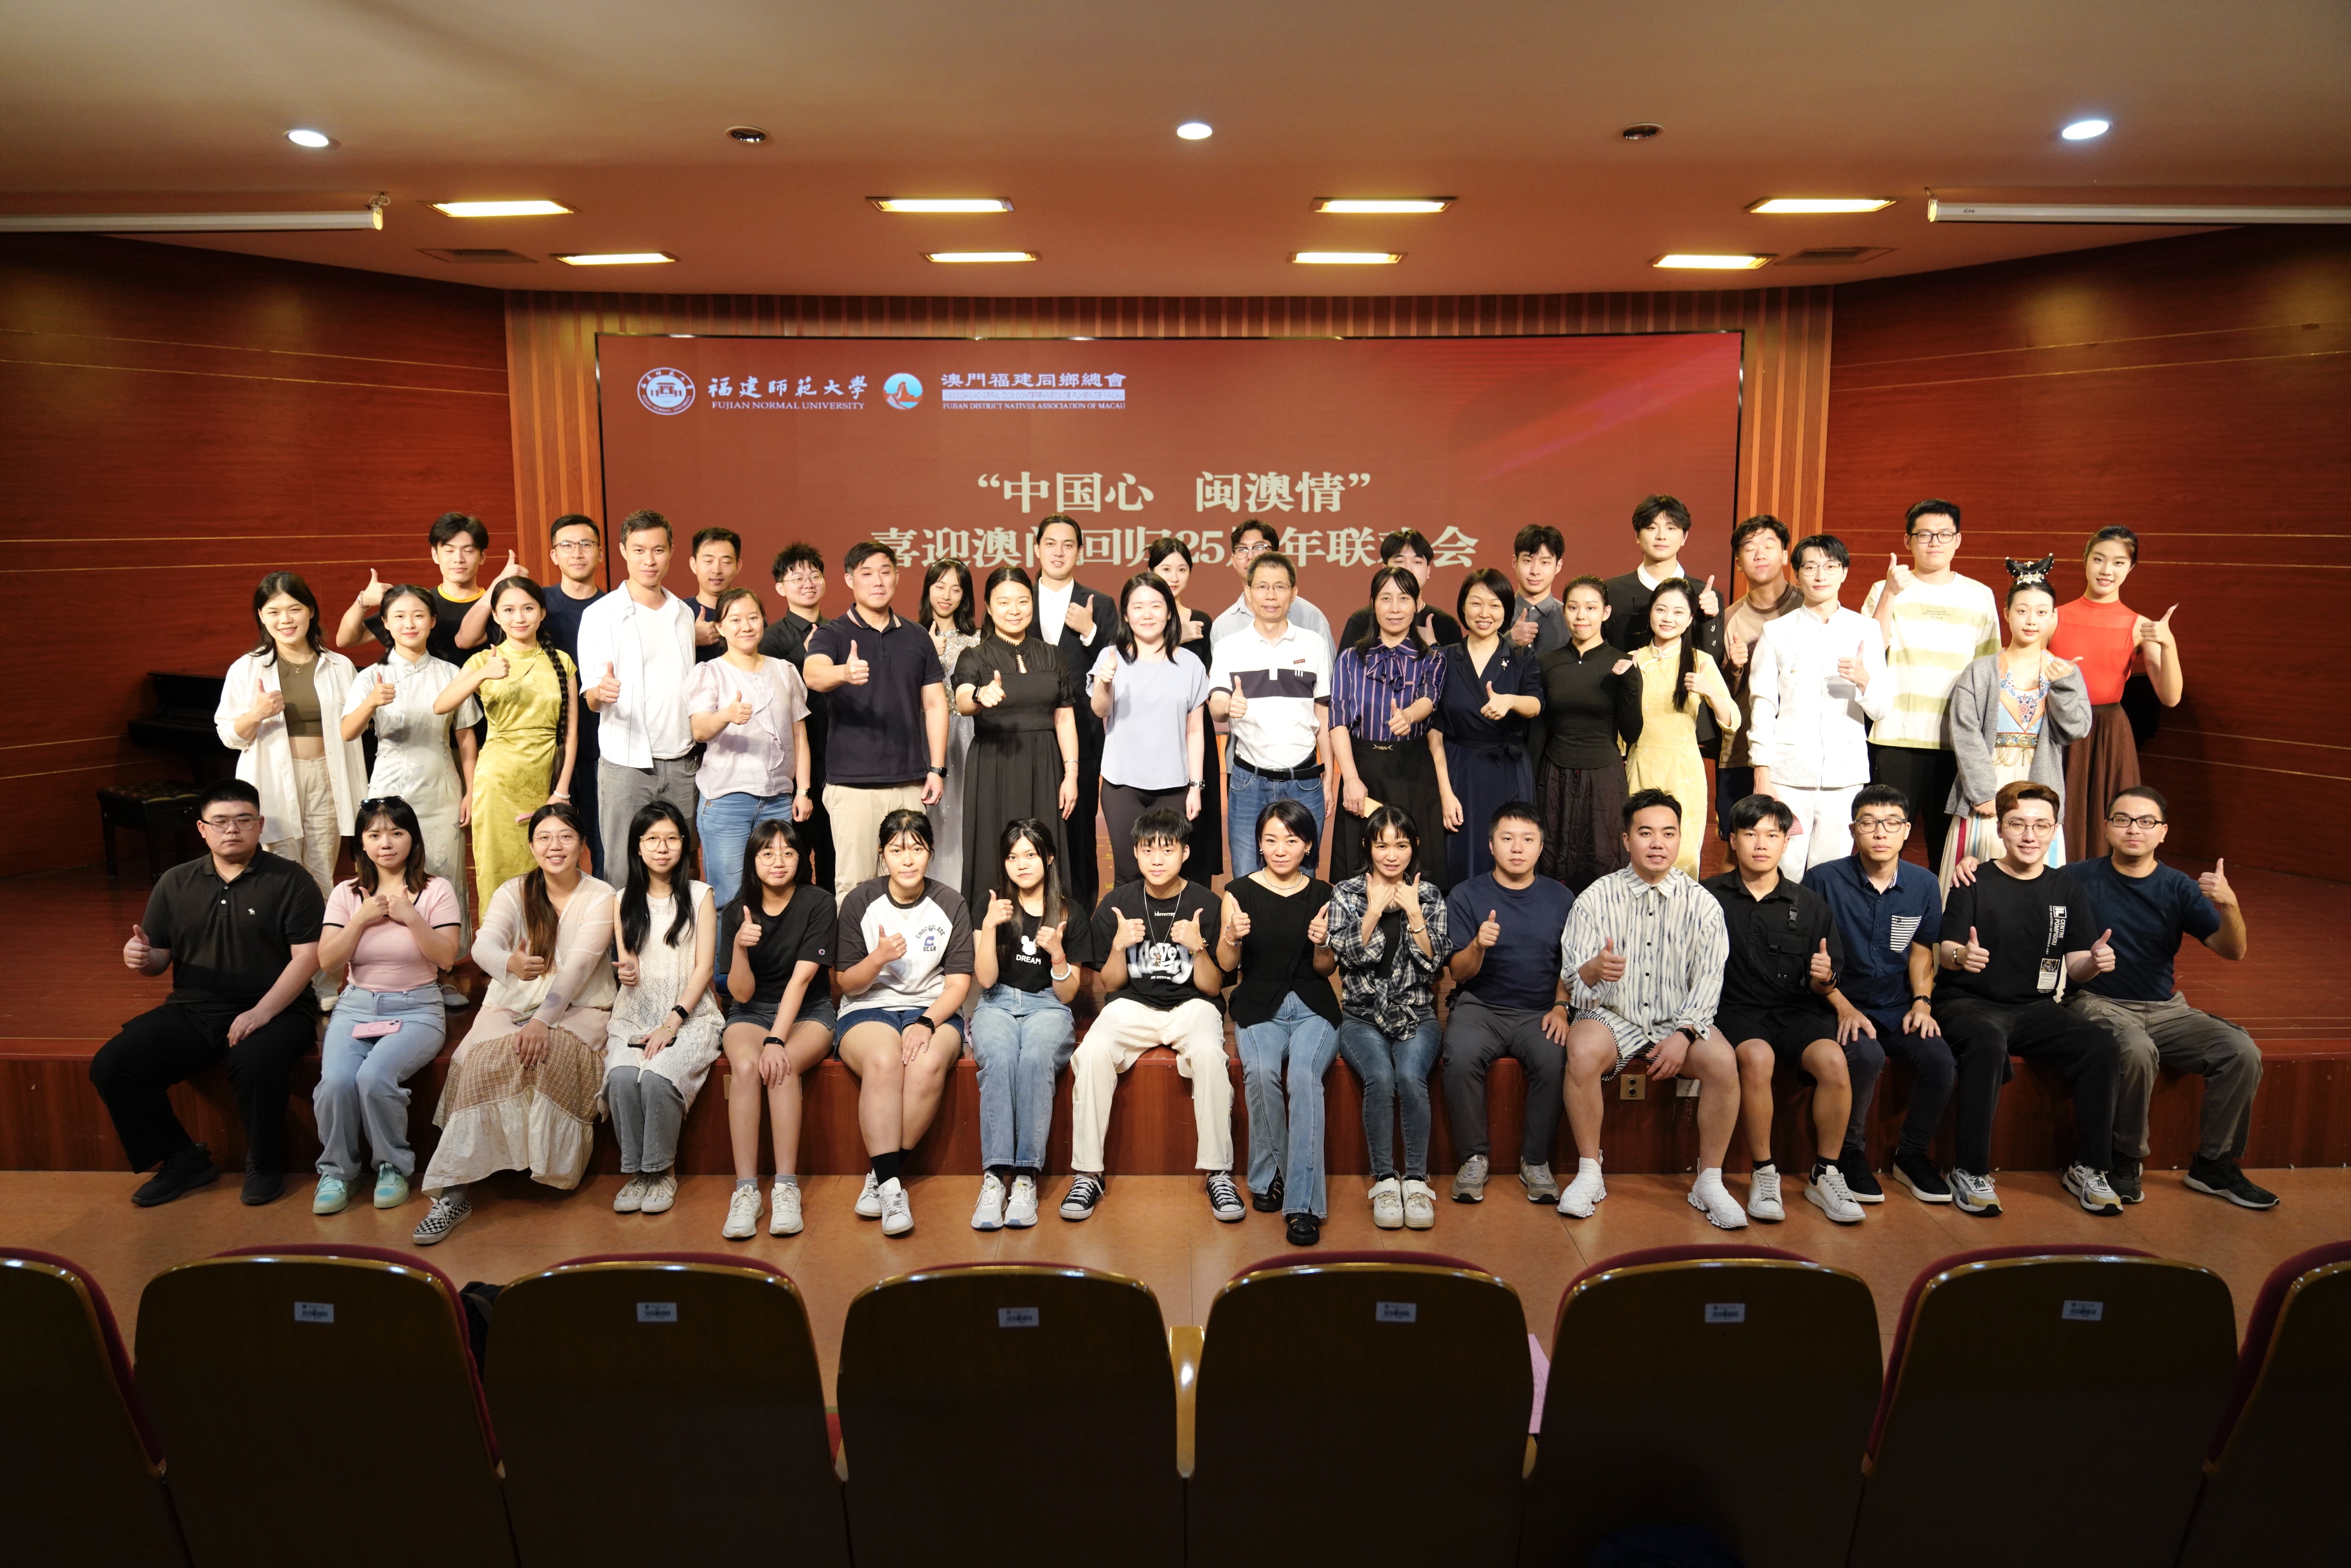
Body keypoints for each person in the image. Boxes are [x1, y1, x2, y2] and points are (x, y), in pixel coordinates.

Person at [92, 779, 325, 1207]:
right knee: (114, 1064)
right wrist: (141, 958)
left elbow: (308, 957)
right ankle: (183, 1159)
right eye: (220, 821)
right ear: (202, 829)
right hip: (194, 1009)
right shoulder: (175, 882)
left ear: (260, 824)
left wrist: (262, 1012)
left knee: (255, 1060)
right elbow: (159, 958)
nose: (231, 829)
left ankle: (265, 1163)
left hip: (279, 1009)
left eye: (243, 819)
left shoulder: (291, 880)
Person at [413, 803, 618, 1244]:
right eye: (544, 837)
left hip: (581, 1007)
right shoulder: (514, 890)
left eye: (566, 836)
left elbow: (579, 969)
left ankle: (544, 1163)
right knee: (484, 1060)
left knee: (550, 1055)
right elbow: (484, 944)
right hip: (511, 1002)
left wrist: (543, 1021)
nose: (555, 846)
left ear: (583, 845)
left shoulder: (601, 895)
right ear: (531, 845)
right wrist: (510, 962)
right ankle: (454, 1192)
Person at [2060, 787, 2270, 1207]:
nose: (2133, 829)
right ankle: (2123, 1159)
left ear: (2163, 832)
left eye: (2146, 821)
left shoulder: (2178, 887)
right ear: (2107, 827)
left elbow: (2233, 951)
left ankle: (2214, 1165)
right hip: (2096, 1001)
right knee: (2136, 1049)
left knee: (2240, 1050)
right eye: (2122, 820)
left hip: (2166, 1008)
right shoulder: (2076, 878)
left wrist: (2230, 905)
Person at [1931, 780, 2125, 1218]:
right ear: (2001, 828)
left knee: (2101, 1045)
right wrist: (1962, 956)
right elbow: (1946, 949)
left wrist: (2096, 962)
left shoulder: (2067, 888)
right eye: (2018, 824)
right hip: (1968, 1001)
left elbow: (2076, 965)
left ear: (2055, 831)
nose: (2030, 834)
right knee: (1985, 1043)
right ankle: (1970, 1170)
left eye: (2041, 825)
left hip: (2034, 1007)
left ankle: (2089, 1166)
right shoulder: (1973, 878)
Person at [1554, 790, 1744, 1228]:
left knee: (1722, 1061)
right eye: (1645, 833)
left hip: (1679, 1018)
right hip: (1614, 1015)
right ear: (1626, 840)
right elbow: (1574, 985)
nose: (1657, 843)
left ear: (1680, 839)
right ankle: (1590, 1171)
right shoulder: (1595, 898)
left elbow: (1710, 980)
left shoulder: (1702, 904)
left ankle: (1710, 1180)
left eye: (1668, 833)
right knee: (1581, 1050)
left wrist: (1685, 1033)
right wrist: (1592, 970)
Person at [1705, 795, 1873, 1226]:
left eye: (1772, 835)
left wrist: (1825, 977)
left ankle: (1826, 1173)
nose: (1761, 844)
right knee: (1757, 1056)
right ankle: (1764, 1172)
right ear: (1733, 840)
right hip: (1736, 1011)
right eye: (1750, 834)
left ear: (1786, 842)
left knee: (1834, 1060)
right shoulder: (1707, 896)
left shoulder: (1810, 903)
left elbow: (1825, 982)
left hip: (1796, 1011)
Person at [1066, 807, 1240, 1223]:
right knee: (1091, 1052)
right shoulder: (1117, 903)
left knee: (1210, 1055)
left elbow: (1213, 987)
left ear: (1185, 852)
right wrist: (1119, 947)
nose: (1157, 859)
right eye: (1148, 850)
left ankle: (1218, 1172)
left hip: (1192, 1006)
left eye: (1167, 849)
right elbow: (1110, 983)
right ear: (1135, 853)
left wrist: (1198, 947)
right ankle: (1088, 1173)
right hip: (1133, 1006)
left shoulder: (1206, 903)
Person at [216, 572, 365, 1001]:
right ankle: (280, 983)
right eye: (274, 611)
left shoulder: (339, 665)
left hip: (327, 780)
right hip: (272, 784)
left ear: (311, 611)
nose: (286, 619)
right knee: (277, 881)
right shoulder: (247, 668)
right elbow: (229, 735)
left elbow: (356, 726)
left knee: (320, 879)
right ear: (262, 617)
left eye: (294, 609)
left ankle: (323, 983)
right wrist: (256, 713)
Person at [310, 796, 460, 1216]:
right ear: (361, 843)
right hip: (356, 1007)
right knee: (336, 1082)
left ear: (413, 838)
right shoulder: (346, 893)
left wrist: (411, 916)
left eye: (396, 832)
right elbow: (328, 961)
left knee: (375, 1077)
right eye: (374, 834)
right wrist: (360, 919)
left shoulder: (436, 889)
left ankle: (393, 1166)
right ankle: (338, 1171)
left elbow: (446, 958)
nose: (386, 843)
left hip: (417, 1008)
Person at [832, 809, 976, 1238]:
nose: (908, 859)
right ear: (883, 854)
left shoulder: (951, 903)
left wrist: (927, 1022)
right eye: (897, 850)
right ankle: (893, 1187)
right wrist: (878, 958)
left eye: (917, 848)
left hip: (933, 1009)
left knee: (927, 1064)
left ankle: (882, 1175)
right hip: (869, 1006)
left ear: (931, 852)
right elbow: (848, 983)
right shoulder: (860, 901)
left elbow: (958, 984)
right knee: (884, 1059)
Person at [1807, 785, 1947, 1204]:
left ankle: (1912, 1154)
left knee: (1940, 1059)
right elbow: (1812, 959)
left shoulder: (1924, 884)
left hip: (1895, 1005)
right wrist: (1843, 1006)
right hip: (1835, 1003)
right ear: (1854, 830)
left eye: (1891, 823)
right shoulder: (1824, 879)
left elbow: (1921, 952)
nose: (1880, 832)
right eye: (1869, 823)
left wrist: (1922, 1002)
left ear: (1906, 830)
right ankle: (1849, 1153)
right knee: (1865, 1055)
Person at [344, 583, 481, 1008]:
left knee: (443, 874)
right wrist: (371, 703)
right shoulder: (370, 676)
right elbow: (347, 731)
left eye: (419, 615)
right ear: (385, 623)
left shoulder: (450, 672)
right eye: (399, 616)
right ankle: (392, 970)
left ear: (433, 621)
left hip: (441, 786)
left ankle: (442, 973)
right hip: (390, 786)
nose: (410, 624)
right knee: (391, 877)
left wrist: (471, 791)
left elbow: (465, 739)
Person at [1218, 800, 1342, 1247]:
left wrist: (1323, 944)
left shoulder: (1324, 894)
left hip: (1313, 1006)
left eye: (1291, 840)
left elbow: (1326, 968)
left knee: (1304, 1077)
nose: (1280, 849)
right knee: (1261, 1070)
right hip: (1259, 1004)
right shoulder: (1238, 892)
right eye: (1271, 840)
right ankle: (1271, 1175)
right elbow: (1226, 964)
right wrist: (1231, 935)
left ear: (1308, 845)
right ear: (1259, 843)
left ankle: (1302, 1204)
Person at [1441, 803, 1576, 1204]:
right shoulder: (1466, 895)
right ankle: (1474, 1159)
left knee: (1555, 1059)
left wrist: (1561, 1006)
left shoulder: (1561, 897)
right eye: (1507, 838)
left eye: (1528, 839)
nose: (1517, 848)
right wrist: (1478, 946)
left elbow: (1569, 965)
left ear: (1540, 847)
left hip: (1539, 1010)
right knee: (1459, 1056)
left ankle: (1535, 1161)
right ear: (1491, 845)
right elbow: (1459, 972)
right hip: (1480, 1006)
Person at [1860, 500, 2001, 869]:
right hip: (1897, 735)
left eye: (1944, 534)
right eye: (1924, 534)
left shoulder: (1980, 595)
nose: (1934, 542)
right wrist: (1890, 593)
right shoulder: (1885, 588)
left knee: (1948, 847)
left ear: (1958, 540)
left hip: (1958, 741)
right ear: (1908, 541)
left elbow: (1990, 670)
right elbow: (1871, 650)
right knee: (1885, 838)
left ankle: (1943, 908)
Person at [803, 542, 949, 900]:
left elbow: (935, 704)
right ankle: (855, 943)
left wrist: (937, 769)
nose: (878, 581)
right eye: (867, 574)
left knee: (908, 883)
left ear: (897, 577)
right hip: (853, 786)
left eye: (885, 572)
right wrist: (844, 672)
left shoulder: (917, 636)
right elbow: (813, 674)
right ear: (849, 580)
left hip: (909, 783)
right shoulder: (833, 633)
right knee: (856, 886)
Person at [1327, 805, 1450, 1231]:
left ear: (1414, 845)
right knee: (1380, 1077)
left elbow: (1434, 965)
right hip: (1361, 1016)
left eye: (1401, 845)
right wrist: (1374, 911)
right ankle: (1384, 1180)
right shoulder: (1347, 893)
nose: (1392, 855)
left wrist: (1414, 913)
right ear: (1368, 846)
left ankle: (1415, 1181)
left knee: (1411, 1076)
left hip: (1417, 1013)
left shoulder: (1429, 894)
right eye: (1382, 846)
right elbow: (1343, 956)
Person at [601, 801, 724, 1219]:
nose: (662, 847)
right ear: (638, 846)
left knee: (657, 1077)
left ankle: (661, 1171)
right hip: (634, 1013)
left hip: (690, 1015)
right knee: (622, 1077)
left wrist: (671, 1024)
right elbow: (628, 964)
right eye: (652, 838)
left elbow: (704, 968)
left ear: (684, 845)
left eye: (672, 838)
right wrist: (626, 971)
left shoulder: (700, 895)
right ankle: (637, 1172)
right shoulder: (622, 899)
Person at [715, 820, 836, 1240]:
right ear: (753, 860)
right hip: (750, 1011)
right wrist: (739, 947)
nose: (778, 861)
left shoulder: (819, 902)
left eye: (788, 852)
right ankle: (746, 1191)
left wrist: (775, 1039)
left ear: (801, 858)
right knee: (747, 1067)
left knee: (780, 1066)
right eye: (767, 853)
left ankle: (786, 1188)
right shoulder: (737, 911)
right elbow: (740, 993)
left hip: (808, 1012)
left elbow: (802, 982)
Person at [1939, 557, 2091, 888]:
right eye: (2022, 610)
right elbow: (1964, 733)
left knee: (2034, 876)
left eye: (2041, 612)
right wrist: (1982, 793)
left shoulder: (2065, 672)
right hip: (1988, 782)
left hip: (2039, 780)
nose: (2031, 620)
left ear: (2053, 617)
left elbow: (2076, 730)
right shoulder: (1980, 671)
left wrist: (2064, 685)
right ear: (2007, 614)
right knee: (1977, 876)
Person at [1746, 534, 1890, 879]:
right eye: (1810, 567)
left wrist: (1864, 681)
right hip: (1787, 773)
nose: (1820, 575)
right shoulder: (1776, 632)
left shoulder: (1866, 630)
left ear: (1844, 573)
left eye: (1830, 566)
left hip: (1845, 773)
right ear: (1797, 574)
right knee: (1784, 866)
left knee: (1832, 871)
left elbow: (1882, 709)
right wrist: (1761, 769)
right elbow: (1763, 704)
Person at [437, 576, 579, 916]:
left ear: (542, 613)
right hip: (497, 782)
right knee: (497, 870)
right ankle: (501, 947)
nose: (520, 617)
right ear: (496, 617)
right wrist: (482, 674)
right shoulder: (482, 661)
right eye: (509, 610)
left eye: (528, 608)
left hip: (546, 778)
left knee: (550, 873)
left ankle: (547, 946)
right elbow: (441, 706)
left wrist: (561, 791)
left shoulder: (562, 660)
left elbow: (572, 733)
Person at [967, 819, 1082, 1231]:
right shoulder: (991, 905)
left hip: (1047, 1004)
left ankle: (1026, 1179)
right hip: (997, 1001)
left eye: (1031, 854)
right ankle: (994, 1178)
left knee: (1034, 1060)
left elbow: (1068, 994)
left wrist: (1057, 955)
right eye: (1013, 856)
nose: (1022, 864)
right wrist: (989, 928)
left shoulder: (1068, 911)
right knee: (999, 1059)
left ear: (1048, 858)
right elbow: (985, 979)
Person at [577, 510, 702, 877]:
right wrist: (601, 692)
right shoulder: (600, 614)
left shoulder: (682, 613)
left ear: (671, 551)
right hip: (626, 764)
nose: (649, 560)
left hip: (681, 761)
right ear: (622, 551)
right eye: (639, 550)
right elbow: (591, 698)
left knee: (680, 868)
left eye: (658, 550)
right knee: (622, 869)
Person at [2050, 528, 2185, 857]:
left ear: (2131, 568)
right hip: (2060, 729)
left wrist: (2169, 644)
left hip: (2110, 735)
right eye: (2098, 559)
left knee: (2111, 822)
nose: (2107, 570)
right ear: (2085, 561)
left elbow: (2170, 697)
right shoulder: (2053, 617)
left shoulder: (2139, 625)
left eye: (2119, 562)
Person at [954, 566, 1081, 909]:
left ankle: (1050, 927)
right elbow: (963, 700)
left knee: (1044, 847)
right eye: (1004, 602)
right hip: (994, 766)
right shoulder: (975, 656)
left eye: (1023, 601)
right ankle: (988, 929)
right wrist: (980, 694)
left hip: (1045, 766)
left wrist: (1071, 774)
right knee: (994, 848)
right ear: (988, 606)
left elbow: (1064, 717)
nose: (1015, 609)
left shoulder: (1052, 654)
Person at [1208, 550, 1334, 878]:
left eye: (1280, 587)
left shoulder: (1313, 644)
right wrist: (1228, 706)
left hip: (1305, 780)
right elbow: (1217, 704)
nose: (1271, 595)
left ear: (1294, 593)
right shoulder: (1229, 646)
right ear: (1248, 592)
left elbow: (1323, 716)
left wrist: (1330, 780)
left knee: (1303, 881)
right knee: (1246, 879)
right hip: (1249, 781)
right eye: (1262, 586)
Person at [685, 587, 812, 908]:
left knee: (777, 893)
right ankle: (725, 946)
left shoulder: (785, 671)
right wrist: (726, 716)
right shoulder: (710, 672)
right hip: (727, 801)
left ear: (764, 621)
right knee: (727, 897)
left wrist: (803, 791)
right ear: (720, 627)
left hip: (778, 801)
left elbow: (799, 735)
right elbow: (699, 730)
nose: (746, 626)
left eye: (753, 618)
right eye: (735, 619)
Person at [1328, 565, 1446, 886]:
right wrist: (1350, 778)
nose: (1395, 608)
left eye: (1404, 598)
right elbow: (1338, 722)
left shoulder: (1432, 658)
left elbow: (1429, 698)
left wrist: (1409, 716)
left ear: (1417, 604)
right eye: (1386, 598)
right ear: (1373, 604)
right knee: (1359, 869)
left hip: (1413, 770)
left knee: (1416, 870)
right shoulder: (1350, 659)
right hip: (1363, 770)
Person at [1091, 572, 1209, 887]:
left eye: (1156, 606)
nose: (1147, 614)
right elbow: (1101, 710)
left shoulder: (1191, 664)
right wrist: (1105, 682)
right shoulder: (1110, 657)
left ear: (1169, 612)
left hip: (1174, 787)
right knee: (1128, 873)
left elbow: (1195, 731)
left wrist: (1196, 786)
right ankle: (1124, 924)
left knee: (1167, 874)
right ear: (1125, 615)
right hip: (1121, 786)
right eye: (1138, 607)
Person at [1032, 515, 1121, 911]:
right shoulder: (1016, 597)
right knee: (1032, 831)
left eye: (1068, 545)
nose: (1059, 552)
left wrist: (1091, 632)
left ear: (1080, 552)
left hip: (1084, 736)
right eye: (1050, 543)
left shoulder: (1100, 604)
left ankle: (1083, 917)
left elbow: (1120, 661)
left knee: (1081, 831)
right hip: (1027, 734)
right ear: (1037, 548)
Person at [1532, 575, 1642, 892]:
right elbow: (1539, 729)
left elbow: (1632, 733)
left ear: (1606, 612)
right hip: (1555, 776)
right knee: (1552, 862)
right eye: (1573, 607)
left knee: (1604, 863)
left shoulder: (1622, 663)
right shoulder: (1547, 662)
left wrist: (1630, 682)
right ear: (1564, 611)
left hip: (1603, 777)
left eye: (1591, 608)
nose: (1582, 616)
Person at [1434, 568, 1544, 885]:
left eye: (1495, 605)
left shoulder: (1521, 657)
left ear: (1506, 611)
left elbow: (1536, 705)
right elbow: (1434, 731)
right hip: (1460, 771)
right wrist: (1445, 792)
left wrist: (1510, 700)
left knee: (1512, 853)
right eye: (1476, 603)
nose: (1485, 613)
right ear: (1462, 607)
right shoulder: (1443, 658)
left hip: (1508, 770)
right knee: (1460, 857)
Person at [1623, 579, 1739, 873]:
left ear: (1690, 620)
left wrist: (1710, 691)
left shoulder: (1700, 661)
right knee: (1639, 856)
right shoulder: (1633, 660)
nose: (1668, 618)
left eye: (1678, 612)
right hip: (1641, 767)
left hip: (1684, 772)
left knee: (1683, 859)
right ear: (1650, 613)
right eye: (1661, 610)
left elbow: (1732, 721)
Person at [1710, 516, 1802, 830]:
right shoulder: (1729, 619)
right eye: (1750, 548)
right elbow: (1718, 699)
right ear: (1738, 563)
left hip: (1799, 748)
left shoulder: (1808, 607)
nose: (1760, 554)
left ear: (1786, 555)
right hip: (1742, 752)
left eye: (1769, 545)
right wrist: (1734, 669)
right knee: (1738, 841)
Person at [1147, 535, 1225, 882]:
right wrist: (1178, 636)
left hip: (1195, 726)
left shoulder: (1202, 621)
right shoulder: (1143, 618)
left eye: (1182, 569)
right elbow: (1137, 662)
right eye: (1166, 569)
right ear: (1151, 571)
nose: (1174, 577)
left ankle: (1198, 893)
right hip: (1156, 728)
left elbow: (1208, 679)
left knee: (1197, 816)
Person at [534, 513, 607, 873]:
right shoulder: (536, 606)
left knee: (603, 843)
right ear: (554, 554)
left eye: (586, 544)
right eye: (567, 545)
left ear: (601, 553)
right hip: (545, 747)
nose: (577, 553)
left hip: (601, 747)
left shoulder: (614, 609)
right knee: (547, 846)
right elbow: (467, 639)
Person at [761, 541, 835, 888]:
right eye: (798, 578)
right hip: (793, 770)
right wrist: (802, 656)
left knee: (836, 859)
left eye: (815, 576)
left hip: (836, 763)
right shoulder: (769, 640)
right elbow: (770, 696)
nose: (808, 584)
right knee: (794, 861)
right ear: (781, 588)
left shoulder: (838, 632)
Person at [337, 510, 500, 664]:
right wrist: (363, 601)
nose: (458, 559)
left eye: (468, 551)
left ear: (482, 556)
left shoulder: (500, 606)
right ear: (435, 555)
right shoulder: (419, 603)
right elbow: (346, 640)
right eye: (449, 550)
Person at [919, 557, 982, 890]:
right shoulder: (912, 635)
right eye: (940, 586)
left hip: (967, 735)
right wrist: (927, 651)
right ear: (928, 589)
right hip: (927, 734)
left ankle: (962, 891)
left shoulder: (978, 639)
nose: (946, 595)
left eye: (956, 589)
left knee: (964, 814)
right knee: (930, 815)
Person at [1599, 494, 1723, 656]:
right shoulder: (1611, 592)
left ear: (1684, 537)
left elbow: (1714, 661)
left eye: (1671, 528)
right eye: (1652, 528)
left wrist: (1709, 619)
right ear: (1637, 535)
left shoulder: (1705, 595)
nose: (1661, 536)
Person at [1214, 518, 1337, 655]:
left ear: (1276, 556)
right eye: (1242, 549)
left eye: (1259, 547)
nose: (1250, 556)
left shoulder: (1311, 617)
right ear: (1233, 560)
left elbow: (1327, 668)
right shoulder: (1222, 625)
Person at [1338, 528, 1463, 651]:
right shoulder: (1361, 620)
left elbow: (1455, 664)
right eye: (1400, 561)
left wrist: (1433, 647)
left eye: (1417, 562)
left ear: (1428, 571)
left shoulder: (1446, 624)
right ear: (1385, 570)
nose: (1409, 569)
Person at [1506, 523, 1570, 654]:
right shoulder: (1495, 614)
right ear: (1515, 562)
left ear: (1558, 566)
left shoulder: (1569, 618)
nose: (1535, 571)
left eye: (1545, 562)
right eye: (1528, 561)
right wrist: (1509, 640)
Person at [687, 525, 742, 662]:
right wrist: (692, 638)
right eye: (708, 561)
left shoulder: (748, 614)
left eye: (726, 562)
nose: (717, 570)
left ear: (738, 567)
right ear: (694, 565)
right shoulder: (679, 612)